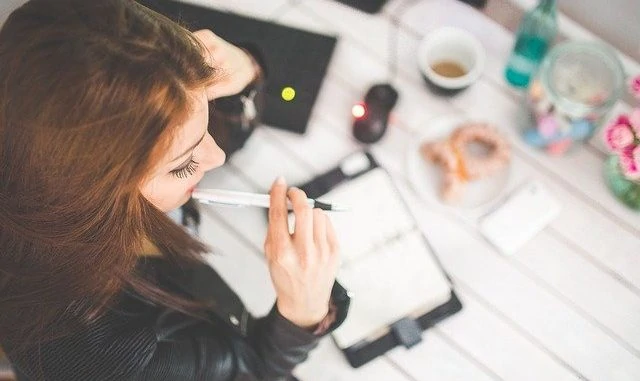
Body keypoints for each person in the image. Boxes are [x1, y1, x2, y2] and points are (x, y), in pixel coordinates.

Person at [0, 0, 349, 380]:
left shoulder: (47, 135)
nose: (215, 157)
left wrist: (246, 68)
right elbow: (251, 372)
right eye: (182, 164)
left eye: (207, 113)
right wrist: (302, 314)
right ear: (93, 193)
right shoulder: (101, 357)